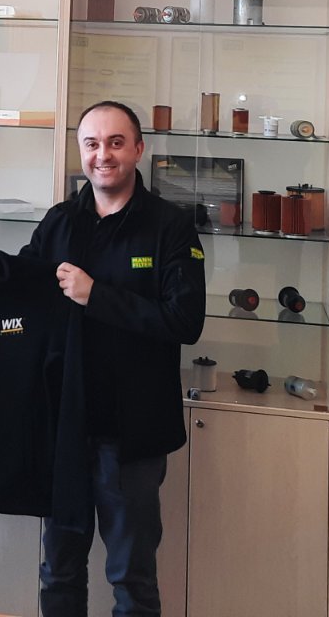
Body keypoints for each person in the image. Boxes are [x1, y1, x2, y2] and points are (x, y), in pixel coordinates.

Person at [27, 100, 206, 617]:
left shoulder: (170, 226)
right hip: (65, 429)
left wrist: (95, 295)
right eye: (91, 144)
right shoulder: (60, 222)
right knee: (58, 573)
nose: (102, 155)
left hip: (132, 438)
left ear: (138, 150)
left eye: (115, 143)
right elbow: (15, 292)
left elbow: (185, 322)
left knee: (131, 580)